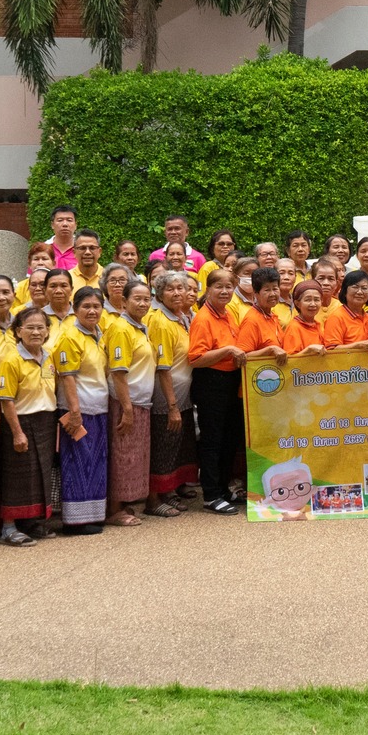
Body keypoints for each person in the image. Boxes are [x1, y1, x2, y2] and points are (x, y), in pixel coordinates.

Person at [0, 304, 57, 543]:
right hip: (20, 422)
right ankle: (8, 527)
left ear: (48, 330)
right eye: (30, 327)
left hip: (45, 421)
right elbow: (6, 400)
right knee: (15, 476)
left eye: (41, 327)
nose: (36, 332)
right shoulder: (11, 360)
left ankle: (32, 522)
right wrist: (17, 432)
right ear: (18, 331)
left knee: (39, 474)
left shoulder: (49, 357)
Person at [50, 286, 112, 535]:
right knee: (77, 461)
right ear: (75, 310)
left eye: (96, 306)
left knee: (95, 461)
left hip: (98, 408)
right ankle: (74, 521)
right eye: (86, 306)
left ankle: (93, 515)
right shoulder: (69, 337)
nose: (92, 310)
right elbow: (67, 377)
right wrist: (74, 412)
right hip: (79, 410)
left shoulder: (98, 333)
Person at [188, 269, 248, 514]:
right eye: (218, 287)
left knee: (228, 439)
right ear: (208, 289)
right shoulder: (203, 318)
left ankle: (223, 488)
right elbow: (196, 358)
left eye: (229, 287)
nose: (224, 291)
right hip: (211, 381)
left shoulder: (226, 315)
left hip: (229, 381)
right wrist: (228, 351)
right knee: (212, 440)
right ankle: (211, 494)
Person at [144, 270, 198, 514]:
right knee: (162, 447)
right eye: (171, 289)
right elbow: (162, 367)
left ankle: (169, 492)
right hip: (166, 398)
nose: (178, 293)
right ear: (159, 293)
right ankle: (153, 501)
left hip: (183, 396)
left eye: (182, 288)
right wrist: (172, 405)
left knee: (176, 446)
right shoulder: (159, 321)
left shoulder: (182, 317)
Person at [106, 278, 158, 527]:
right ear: (124, 301)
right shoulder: (120, 328)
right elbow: (118, 371)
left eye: (147, 299)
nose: (143, 303)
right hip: (125, 403)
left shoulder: (140, 327)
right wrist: (126, 408)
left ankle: (124, 504)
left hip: (140, 402)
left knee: (132, 456)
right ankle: (114, 509)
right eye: (137, 299)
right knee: (122, 455)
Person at [324, 269, 368, 350]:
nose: (360, 292)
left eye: (364, 288)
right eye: (355, 287)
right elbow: (331, 350)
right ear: (344, 291)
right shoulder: (336, 317)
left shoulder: (367, 317)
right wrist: (358, 346)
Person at [149, 215, 207, 280]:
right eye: (170, 229)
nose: (173, 232)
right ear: (165, 232)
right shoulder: (155, 256)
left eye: (177, 228)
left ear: (187, 232)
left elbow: (202, 283)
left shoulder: (198, 257)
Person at [282, 279, 331, 355]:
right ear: (297, 303)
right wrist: (309, 350)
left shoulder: (317, 325)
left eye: (316, 300)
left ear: (321, 302)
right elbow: (290, 361)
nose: (313, 304)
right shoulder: (294, 328)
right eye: (308, 300)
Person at [12, 245, 55, 312]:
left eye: (44, 259)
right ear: (29, 264)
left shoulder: (60, 284)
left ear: (53, 263)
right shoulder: (19, 288)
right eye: (36, 259)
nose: (40, 263)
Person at [36, 205, 80, 270]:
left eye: (69, 220)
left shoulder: (83, 249)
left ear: (76, 225)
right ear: (52, 225)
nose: (65, 224)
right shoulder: (42, 249)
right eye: (60, 220)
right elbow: (33, 278)